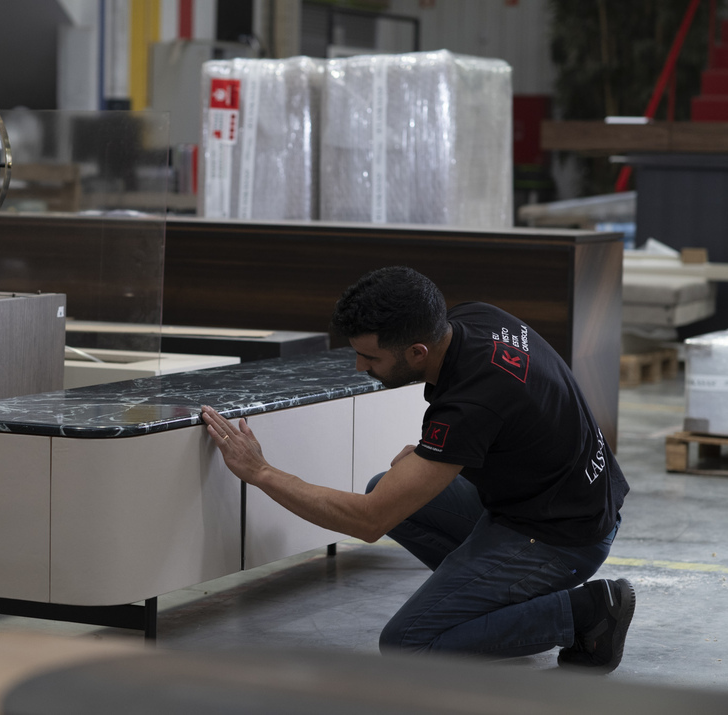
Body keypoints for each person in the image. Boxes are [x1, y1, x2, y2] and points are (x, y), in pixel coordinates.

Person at [201, 265, 634, 673]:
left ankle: (585, 612)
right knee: (386, 488)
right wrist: (443, 453)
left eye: (370, 357)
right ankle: (497, 599)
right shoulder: (473, 320)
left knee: (410, 643)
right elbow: (511, 421)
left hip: (565, 537)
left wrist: (262, 473)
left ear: (417, 351)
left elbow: (368, 521)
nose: (360, 367)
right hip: (570, 499)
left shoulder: (472, 403)